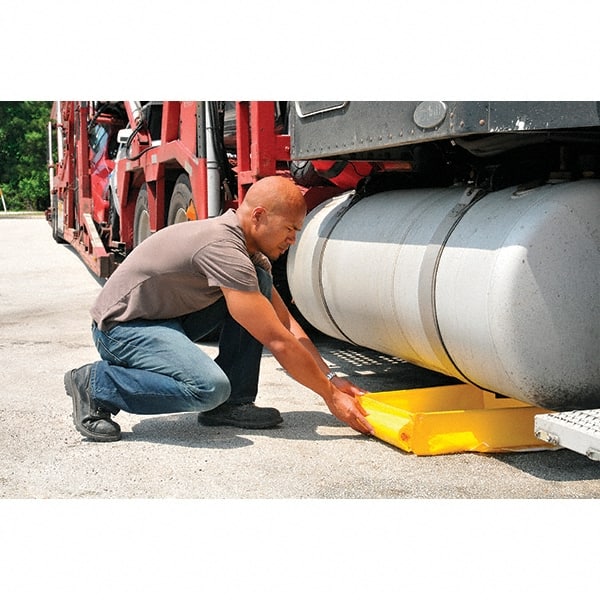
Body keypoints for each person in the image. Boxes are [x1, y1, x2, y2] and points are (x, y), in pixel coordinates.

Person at [64, 175, 374, 442]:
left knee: (260, 289)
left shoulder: (249, 255)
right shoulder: (224, 249)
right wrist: (329, 398)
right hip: (123, 328)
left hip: (164, 319)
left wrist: (331, 378)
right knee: (208, 387)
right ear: (259, 216)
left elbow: (285, 324)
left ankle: (231, 405)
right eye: (290, 228)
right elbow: (277, 341)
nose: (293, 240)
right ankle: (96, 384)